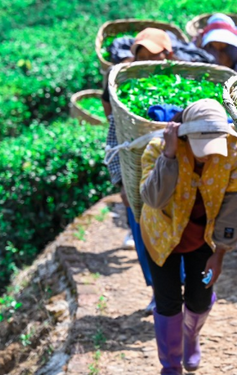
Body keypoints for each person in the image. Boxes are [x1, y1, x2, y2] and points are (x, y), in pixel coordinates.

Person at [139, 99, 237, 374]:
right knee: (168, 302)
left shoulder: (234, 151)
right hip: (161, 235)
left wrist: (220, 253)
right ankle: (170, 364)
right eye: (201, 148)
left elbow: (233, 202)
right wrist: (169, 156)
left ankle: (191, 336)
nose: (207, 156)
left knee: (200, 298)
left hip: (204, 238)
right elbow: (153, 199)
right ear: (185, 135)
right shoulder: (158, 149)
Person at [101, 27, 175, 315]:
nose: (148, 62)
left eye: (154, 56)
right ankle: (159, 292)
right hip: (137, 173)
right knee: (144, 230)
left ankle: (184, 291)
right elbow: (113, 135)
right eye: (142, 56)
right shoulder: (124, 84)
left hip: (173, 170)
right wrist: (121, 182)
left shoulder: (177, 80)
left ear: (168, 54)